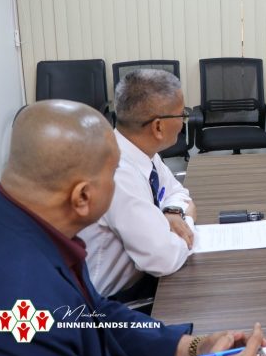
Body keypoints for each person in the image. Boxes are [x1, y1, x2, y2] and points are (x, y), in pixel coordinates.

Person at [0, 100, 266, 356]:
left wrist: (190, 347)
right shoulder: (20, 304)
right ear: (83, 196)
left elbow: (95, 315)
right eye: (114, 173)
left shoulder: (21, 224)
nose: (121, 180)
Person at [79, 69, 196, 301]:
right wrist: (188, 223)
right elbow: (163, 259)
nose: (184, 121)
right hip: (110, 303)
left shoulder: (138, 150)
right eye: (182, 114)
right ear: (158, 127)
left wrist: (173, 213)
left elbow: (177, 192)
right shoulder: (116, 174)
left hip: (143, 275)